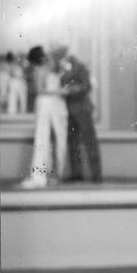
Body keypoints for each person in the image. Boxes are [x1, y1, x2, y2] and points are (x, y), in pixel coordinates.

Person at [19, 45, 68, 188]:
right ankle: (39, 175)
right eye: (44, 53)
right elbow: (39, 90)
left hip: (55, 103)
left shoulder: (50, 66)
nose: (46, 55)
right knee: (42, 137)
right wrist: (58, 92)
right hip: (46, 102)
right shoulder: (39, 70)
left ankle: (55, 174)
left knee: (57, 136)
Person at [59, 51, 102, 182]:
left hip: (82, 109)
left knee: (90, 141)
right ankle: (76, 174)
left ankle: (97, 175)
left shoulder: (80, 67)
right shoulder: (60, 68)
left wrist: (72, 89)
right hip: (68, 110)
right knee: (73, 143)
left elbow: (87, 85)